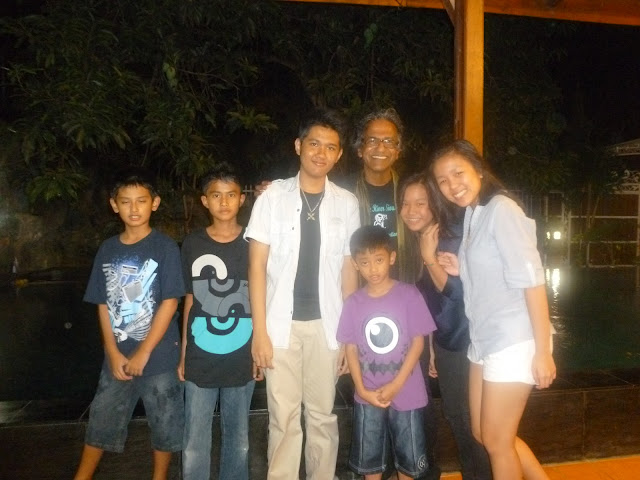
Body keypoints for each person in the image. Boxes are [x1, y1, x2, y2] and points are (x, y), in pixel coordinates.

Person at [429, 140, 556, 480]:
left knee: (498, 442)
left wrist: (542, 351)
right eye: (443, 180)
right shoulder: (474, 213)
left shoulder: (502, 209)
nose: (452, 185)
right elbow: (492, 270)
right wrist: (461, 268)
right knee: (484, 434)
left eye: (458, 173)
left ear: (479, 170)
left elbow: (532, 280)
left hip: (513, 339)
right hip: (484, 340)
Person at [245, 108, 360, 480]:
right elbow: (256, 267)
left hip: (327, 326)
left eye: (330, 147)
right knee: (283, 418)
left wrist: (348, 336)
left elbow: (348, 271)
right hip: (280, 327)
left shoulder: (347, 203)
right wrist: (259, 332)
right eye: (314, 144)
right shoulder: (272, 198)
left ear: (338, 155)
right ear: (298, 146)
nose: (321, 153)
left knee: (323, 416)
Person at [74, 168, 185, 480]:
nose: (134, 208)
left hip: (159, 356)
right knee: (102, 418)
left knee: (164, 422)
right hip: (119, 355)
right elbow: (102, 302)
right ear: (114, 205)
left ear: (155, 203)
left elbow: (170, 302)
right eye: (126, 201)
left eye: (141, 201)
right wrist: (111, 351)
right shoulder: (108, 249)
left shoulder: (165, 247)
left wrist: (144, 352)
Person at [399, 173, 492, 480]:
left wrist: (429, 258)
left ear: (435, 205)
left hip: (467, 343)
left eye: (420, 203)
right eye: (405, 203)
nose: (411, 210)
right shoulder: (423, 238)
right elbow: (430, 303)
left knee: (469, 422)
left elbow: (456, 293)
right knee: (459, 417)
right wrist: (432, 345)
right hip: (447, 342)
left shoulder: (447, 238)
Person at [178, 163, 262, 480]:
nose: (224, 202)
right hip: (200, 355)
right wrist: (184, 353)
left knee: (238, 440)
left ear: (242, 199)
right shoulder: (192, 244)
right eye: (216, 195)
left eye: (230, 195)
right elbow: (190, 299)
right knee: (194, 442)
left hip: (242, 353)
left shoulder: (255, 243)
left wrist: (259, 349)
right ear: (204, 201)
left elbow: (262, 299)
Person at [337, 225, 436, 480]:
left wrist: (396, 384)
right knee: (370, 463)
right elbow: (350, 347)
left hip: (407, 391)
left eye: (379, 260)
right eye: (365, 262)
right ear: (356, 265)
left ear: (391, 258)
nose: (373, 269)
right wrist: (360, 389)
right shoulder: (353, 303)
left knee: (409, 463)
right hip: (367, 394)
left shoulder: (409, 294)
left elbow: (417, 343)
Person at [342, 107, 419, 283]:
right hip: (356, 289)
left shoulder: (409, 191)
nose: (381, 147)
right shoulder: (342, 192)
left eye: (389, 141)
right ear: (360, 149)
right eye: (372, 140)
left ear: (397, 151)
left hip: (405, 286)